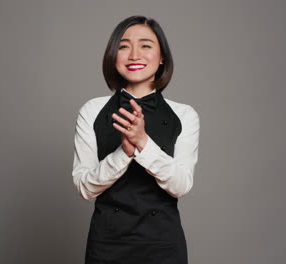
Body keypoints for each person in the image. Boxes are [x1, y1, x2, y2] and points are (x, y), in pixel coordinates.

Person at [72, 15, 200, 264]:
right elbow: (84, 188)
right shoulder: (92, 110)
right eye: (123, 46)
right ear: (113, 55)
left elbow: (181, 185)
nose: (134, 55)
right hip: (107, 245)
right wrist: (124, 152)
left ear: (162, 57)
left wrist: (143, 143)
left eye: (145, 45)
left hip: (164, 245)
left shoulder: (184, 114)